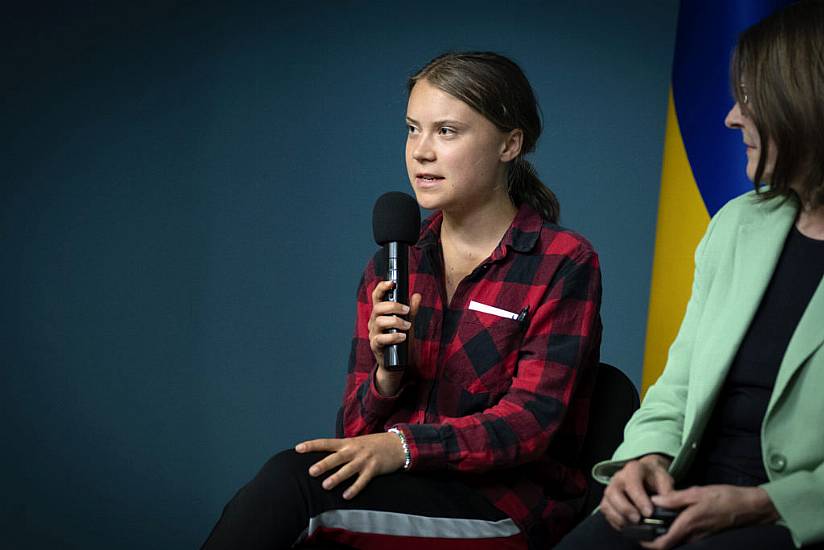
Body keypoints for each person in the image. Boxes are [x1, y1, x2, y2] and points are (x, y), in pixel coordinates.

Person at [201, 52, 602, 549]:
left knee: (296, 489)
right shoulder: (393, 263)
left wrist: (404, 446)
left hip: (503, 510)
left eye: (447, 131)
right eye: (413, 129)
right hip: (407, 491)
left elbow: (530, 424)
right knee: (302, 482)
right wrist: (386, 378)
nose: (421, 152)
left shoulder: (561, 260)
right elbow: (352, 433)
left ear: (509, 143)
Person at [556, 2, 824, 549]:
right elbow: (676, 388)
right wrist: (642, 458)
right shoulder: (736, 224)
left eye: (749, 100)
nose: (730, 117)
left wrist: (766, 503)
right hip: (685, 494)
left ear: (804, 105)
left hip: (790, 521)